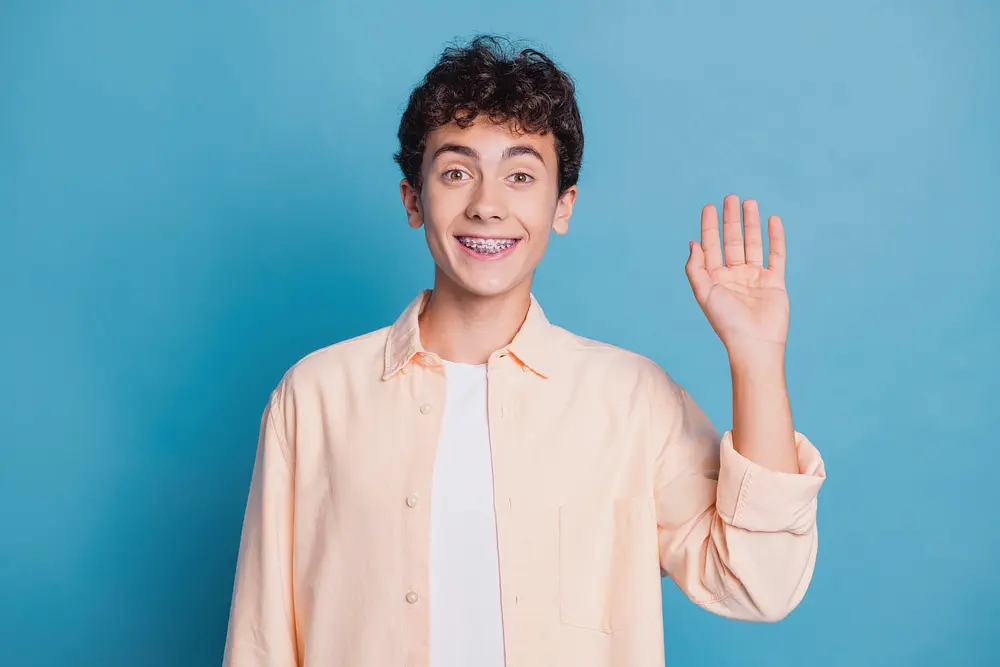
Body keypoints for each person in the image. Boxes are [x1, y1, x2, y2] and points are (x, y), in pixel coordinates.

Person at [222, 34, 827, 667]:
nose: (487, 205)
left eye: (520, 176)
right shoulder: (315, 396)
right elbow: (261, 640)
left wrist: (754, 358)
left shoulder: (629, 399)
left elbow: (761, 583)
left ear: (563, 205)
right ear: (412, 199)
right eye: (456, 173)